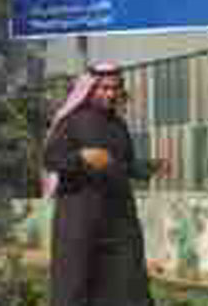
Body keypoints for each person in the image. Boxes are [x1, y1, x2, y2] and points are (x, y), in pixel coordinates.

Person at [43, 62, 167, 306]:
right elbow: (51, 159)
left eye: (115, 88)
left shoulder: (118, 126)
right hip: (80, 221)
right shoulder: (71, 122)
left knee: (127, 283)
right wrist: (81, 157)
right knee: (75, 285)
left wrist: (152, 166)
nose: (110, 94)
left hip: (118, 221)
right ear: (90, 89)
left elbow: (125, 165)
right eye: (104, 88)